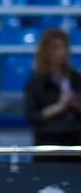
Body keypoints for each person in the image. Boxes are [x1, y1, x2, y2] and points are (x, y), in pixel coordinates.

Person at [24, 28, 81, 158]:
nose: (62, 52)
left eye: (64, 47)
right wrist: (59, 107)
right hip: (48, 145)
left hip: (76, 145)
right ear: (47, 51)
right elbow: (33, 116)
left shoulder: (77, 79)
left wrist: (74, 104)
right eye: (56, 48)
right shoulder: (36, 83)